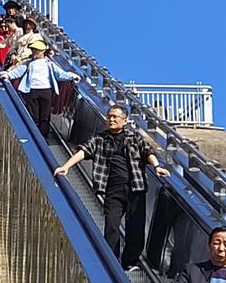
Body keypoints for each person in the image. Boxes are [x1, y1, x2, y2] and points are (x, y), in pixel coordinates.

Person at [54, 104, 169, 272]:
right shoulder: (100, 139)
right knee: (112, 225)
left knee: (135, 227)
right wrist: (66, 166)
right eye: (109, 116)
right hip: (113, 190)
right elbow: (84, 151)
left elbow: (147, 152)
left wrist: (157, 166)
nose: (111, 119)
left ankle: (130, 262)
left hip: (135, 188)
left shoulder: (133, 137)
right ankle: (112, 262)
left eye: (115, 117)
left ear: (125, 120)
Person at [2, 39, 80, 139]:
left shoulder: (49, 64)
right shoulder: (29, 63)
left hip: (46, 90)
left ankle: (43, 137)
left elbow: (60, 74)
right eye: (33, 49)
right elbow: (18, 72)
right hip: (31, 91)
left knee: (45, 116)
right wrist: (8, 75)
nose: (34, 51)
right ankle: (33, 135)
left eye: (36, 50)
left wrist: (72, 76)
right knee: (33, 115)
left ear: (43, 51)